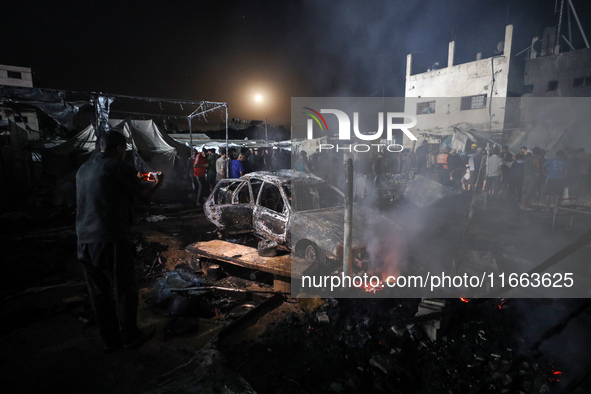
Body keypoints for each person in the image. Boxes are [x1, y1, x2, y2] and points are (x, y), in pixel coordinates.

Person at [76, 130, 163, 352]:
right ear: (119, 148)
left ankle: (110, 340)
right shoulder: (118, 167)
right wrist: (158, 182)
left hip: (84, 241)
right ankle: (131, 337)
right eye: (124, 150)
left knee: (99, 294)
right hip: (111, 238)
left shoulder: (83, 169)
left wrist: (142, 176)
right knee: (124, 289)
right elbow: (146, 197)